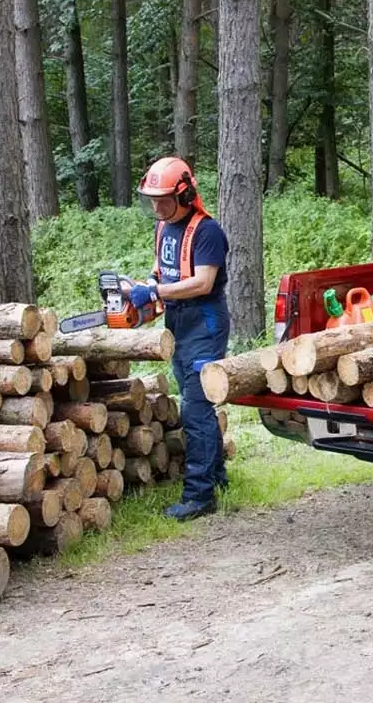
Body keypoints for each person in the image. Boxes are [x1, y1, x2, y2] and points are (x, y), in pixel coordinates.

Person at [131, 156, 230, 520]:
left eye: (163, 199)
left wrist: (158, 291)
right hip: (178, 323)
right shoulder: (163, 228)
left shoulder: (207, 232)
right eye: (151, 199)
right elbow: (162, 272)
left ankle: (200, 495)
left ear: (185, 194)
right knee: (197, 405)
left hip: (205, 324)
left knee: (196, 409)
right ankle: (217, 476)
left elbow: (202, 282)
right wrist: (146, 290)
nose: (156, 206)